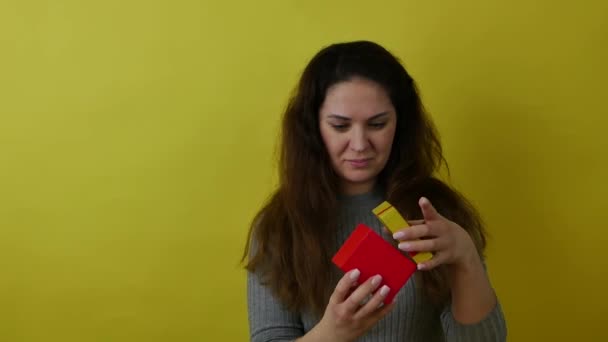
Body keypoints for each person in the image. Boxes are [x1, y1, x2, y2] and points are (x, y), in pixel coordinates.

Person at [242, 40, 507, 341]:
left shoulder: (433, 212)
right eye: (340, 126)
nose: (359, 144)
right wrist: (332, 333)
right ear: (313, 127)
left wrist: (466, 257)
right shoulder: (279, 226)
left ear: (399, 123)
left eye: (377, 124)